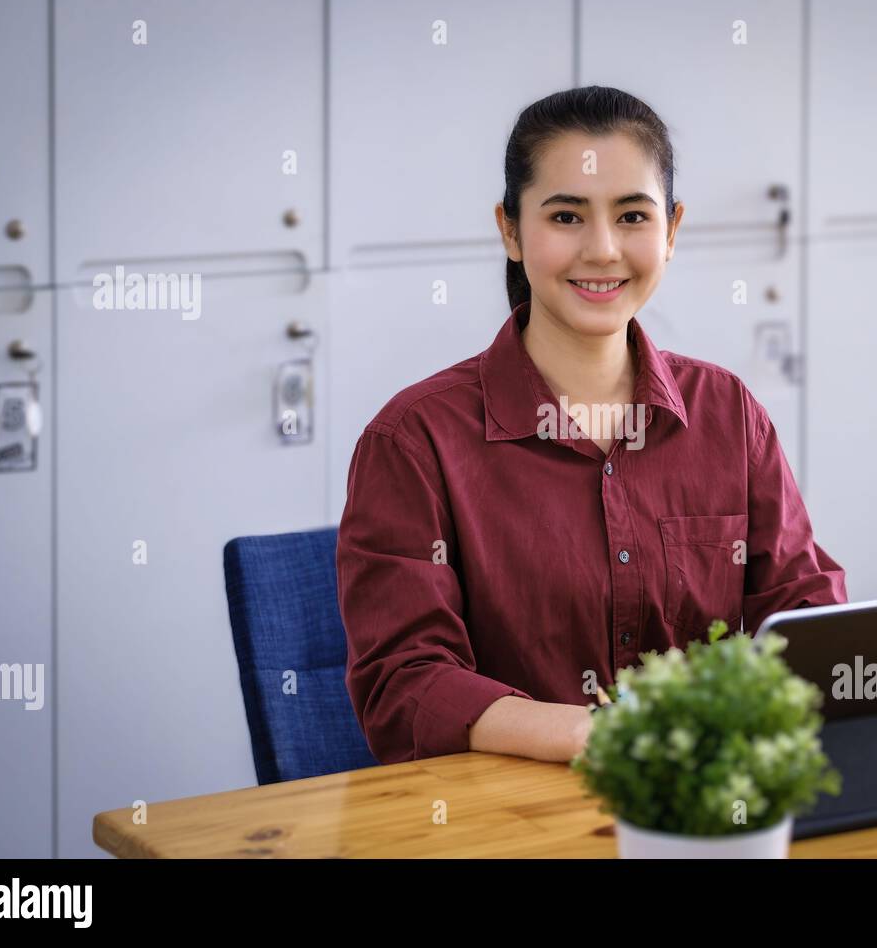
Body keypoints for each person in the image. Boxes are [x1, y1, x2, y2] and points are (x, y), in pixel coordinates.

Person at [337, 85, 847, 766]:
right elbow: (405, 684)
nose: (604, 249)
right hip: (504, 823)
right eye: (567, 217)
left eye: (633, 215)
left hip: (700, 806)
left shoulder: (728, 413)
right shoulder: (412, 442)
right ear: (511, 231)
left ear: (671, 231)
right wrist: (603, 737)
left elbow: (807, 617)